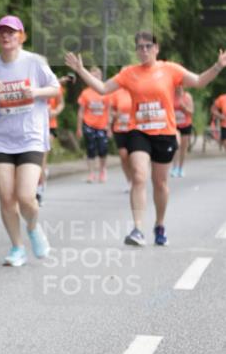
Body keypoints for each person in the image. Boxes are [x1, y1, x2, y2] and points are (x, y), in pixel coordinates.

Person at [65, 34, 226, 247]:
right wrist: (80, 70)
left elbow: (198, 81)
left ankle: (159, 225)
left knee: (160, 183)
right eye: (139, 47)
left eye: (148, 46)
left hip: (164, 133)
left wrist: (218, 66)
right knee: (139, 176)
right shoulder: (129, 73)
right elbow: (103, 88)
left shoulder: (170, 69)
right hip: (138, 132)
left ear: (156, 48)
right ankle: (138, 228)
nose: (144, 50)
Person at [0, 15, 60, 266]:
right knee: (6, 197)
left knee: (25, 197)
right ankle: (17, 247)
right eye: (2, 32)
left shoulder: (35, 62)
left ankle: (33, 227)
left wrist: (35, 92)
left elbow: (55, 88)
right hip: (1, 139)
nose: (6, 36)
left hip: (30, 137)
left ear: (21, 37)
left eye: (11, 32)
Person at [76, 68, 111, 182]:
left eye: (97, 76)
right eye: (92, 76)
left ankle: (102, 170)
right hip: (89, 125)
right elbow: (81, 112)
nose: (95, 78)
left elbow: (109, 110)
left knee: (103, 150)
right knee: (90, 149)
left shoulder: (105, 92)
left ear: (100, 77)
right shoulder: (85, 93)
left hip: (102, 126)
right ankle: (91, 173)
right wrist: (79, 128)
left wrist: (109, 127)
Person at [37, 81, 65, 204]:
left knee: (41, 157)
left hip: (49, 125)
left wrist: (55, 112)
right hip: (32, 125)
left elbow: (61, 103)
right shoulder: (28, 81)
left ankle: (39, 191)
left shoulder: (54, 84)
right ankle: (39, 180)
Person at [109, 86, 133, 187]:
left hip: (134, 129)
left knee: (133, 157)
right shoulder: (116, 93)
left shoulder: (136, 89)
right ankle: (129, 180)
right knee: (124, 156)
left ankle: (136, 179)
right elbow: (110, 110)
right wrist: (115, 114)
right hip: (120, 129)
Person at [170, 85, 194, 177]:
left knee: (183, 148)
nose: (178, 88)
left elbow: (191, 112)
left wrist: (184, 108)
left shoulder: (187, 96)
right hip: (174, 125)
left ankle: (181, 168)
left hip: (185, 124)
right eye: (176, 86)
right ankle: (174, 168)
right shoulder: (171, 95)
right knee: (176, 144)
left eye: (180, 86)